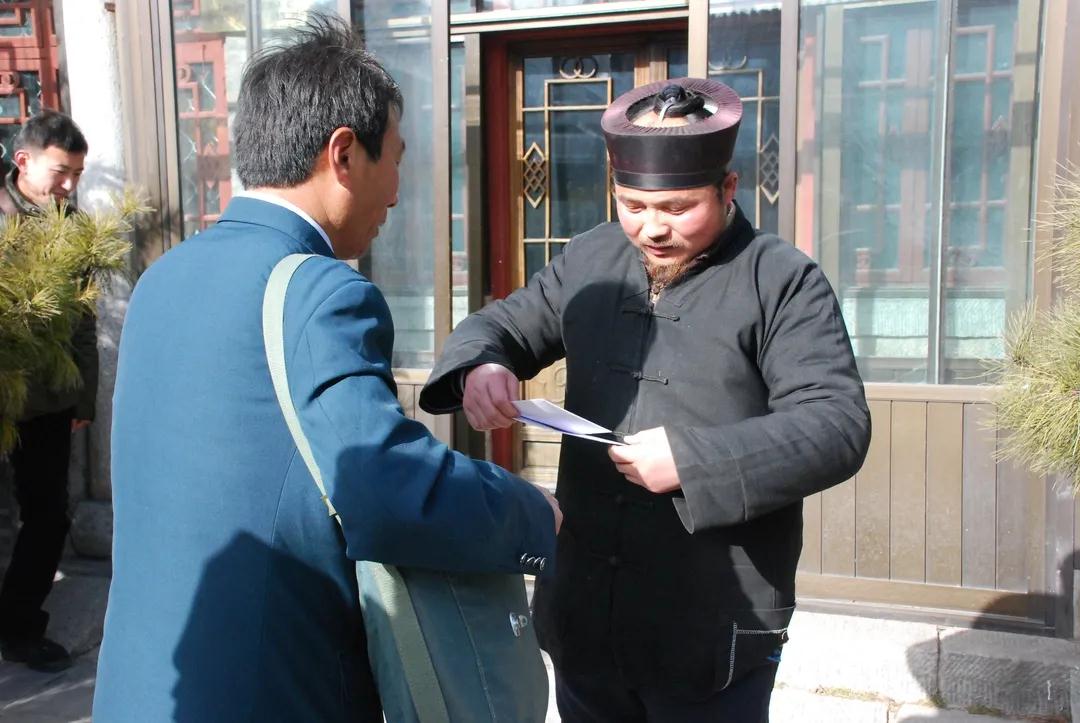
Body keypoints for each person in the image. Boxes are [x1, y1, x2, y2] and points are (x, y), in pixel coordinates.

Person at [92, 16, 558, 722]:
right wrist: (529, 511)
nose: (397, 192)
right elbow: (384, 490)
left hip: (149, 684)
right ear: (343, 154)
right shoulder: (319, 289)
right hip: (273, 690)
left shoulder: (162, 277)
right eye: (396, 159)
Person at [420, 78, 871, 722]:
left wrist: (694, 461)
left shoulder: (782, 280)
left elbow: (835, 425)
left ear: (728, 188)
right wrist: (482, 363)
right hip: (585, 608)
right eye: (632, 204)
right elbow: (505, 325)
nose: (652, 228)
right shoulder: (592, 258)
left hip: (713, 619)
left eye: (678, 208)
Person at [0, 110, 92, 673]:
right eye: (62, 172)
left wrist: (82, 396)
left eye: (77, 174)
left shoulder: (74, 226)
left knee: (47, 515)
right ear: (24, 161)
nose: (69, 186)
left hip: (48, 401)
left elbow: (83, 319)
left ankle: (19, 625)